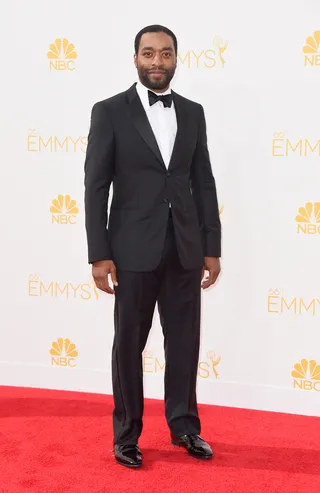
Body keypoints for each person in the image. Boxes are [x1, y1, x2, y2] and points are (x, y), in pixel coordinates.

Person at [84, 24, 221, 468]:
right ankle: (126, 435)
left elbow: (203, 182)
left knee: (184, 342)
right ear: (136, 58)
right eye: (148, 53)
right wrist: (99, 253)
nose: (157, 62)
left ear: (177, 58)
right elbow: (95, 187)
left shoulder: (194, 112)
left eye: (165, 54)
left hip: (183, 246)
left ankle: (185, 427)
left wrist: (211, 246)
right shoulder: (109, 111)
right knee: (128, 344)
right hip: (130, 249)